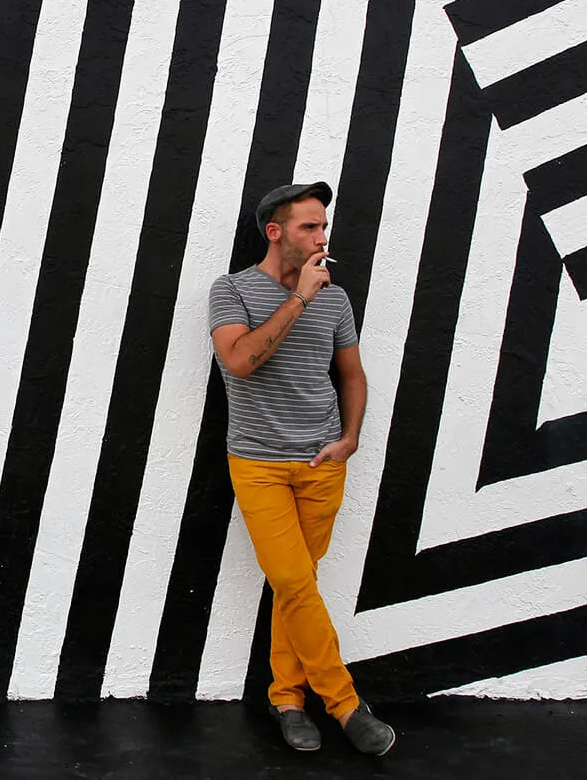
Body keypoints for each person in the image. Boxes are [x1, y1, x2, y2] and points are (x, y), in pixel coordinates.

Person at [207, 181, 396, 757]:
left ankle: (287, 700)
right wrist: (298, 300)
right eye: (309, 227)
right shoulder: (231, 290)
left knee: (298, 587)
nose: (321, 237)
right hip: (258, 465)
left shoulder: (336, 299)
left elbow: (352, 375)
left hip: (321, 463)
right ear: (276, 232)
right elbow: (239, 362)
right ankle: (345, 704)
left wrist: (350, 439)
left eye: (323, 226)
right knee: (292, 581)